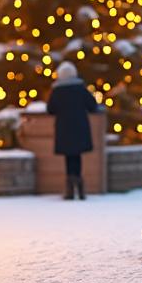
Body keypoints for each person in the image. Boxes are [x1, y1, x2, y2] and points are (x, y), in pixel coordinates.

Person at [47, 60, 98, 201]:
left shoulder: (57, 90)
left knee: (69, 157)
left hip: (64, 129)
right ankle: (80, 188)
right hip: (80, 128)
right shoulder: (80, 88)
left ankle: (70, 189)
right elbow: (92, 105)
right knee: (77, 156)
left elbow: (50, 109)